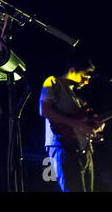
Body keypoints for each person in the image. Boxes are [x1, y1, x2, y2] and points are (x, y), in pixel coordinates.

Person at [39, 56, 105, 192]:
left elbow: (83, 125)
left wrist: (95, 127)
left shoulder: (77, 98)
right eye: (85, 75)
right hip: (64, 148)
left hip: (84, 151)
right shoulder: (52, 82)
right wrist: (77, 124)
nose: (87, 81)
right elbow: (44, 110)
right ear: (72, 70)